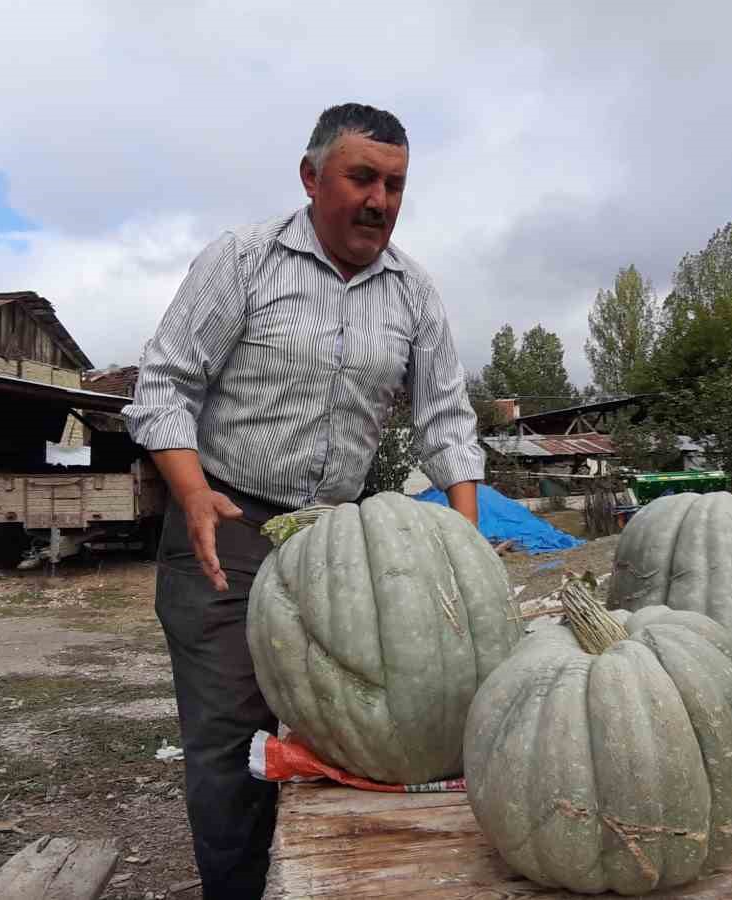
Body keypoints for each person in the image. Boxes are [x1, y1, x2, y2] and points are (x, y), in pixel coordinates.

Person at [123, 102, 484, 900]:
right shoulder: (243, 261)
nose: (379, 201)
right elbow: (164, 385)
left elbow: (446, 420)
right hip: (228, 525)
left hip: (342, 539)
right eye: (361, 178)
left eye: (394, 185)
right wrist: (192, 493)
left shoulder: (413, 292)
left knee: (363, 725)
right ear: (311, 177)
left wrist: (465, 537)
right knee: (230, 741)